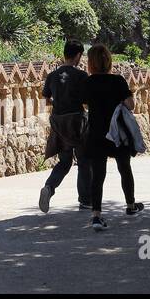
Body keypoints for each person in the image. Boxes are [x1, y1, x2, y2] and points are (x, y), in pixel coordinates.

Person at [80, 44, 143, 231]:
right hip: (117, 133)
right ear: (109, 61)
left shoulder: (88, 83)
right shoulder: (118, 81)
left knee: (98, 175)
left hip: (96, 133)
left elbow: (83, 103)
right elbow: (130, 105)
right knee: (124, 168)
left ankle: (96, 216)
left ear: (90, 63)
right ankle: (131, 206)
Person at [38, 39, 91, 213]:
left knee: (65, 161)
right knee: (83, 160)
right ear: (78, 55)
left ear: (64, 54)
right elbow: (86, 100)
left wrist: (57, 102)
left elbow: (46, 99)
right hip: (76, 122)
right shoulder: (81, 76)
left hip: (59, 122)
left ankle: (49, 187)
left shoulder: (52, 76)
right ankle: (85, 200)